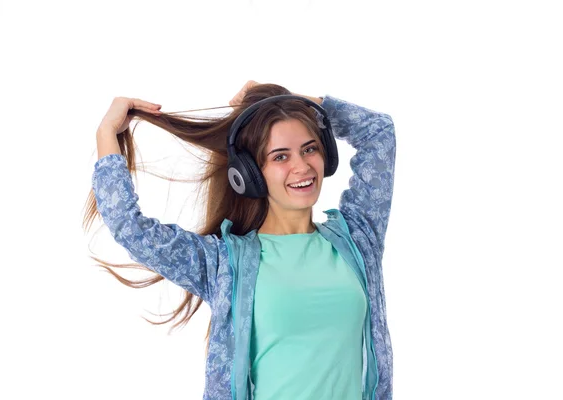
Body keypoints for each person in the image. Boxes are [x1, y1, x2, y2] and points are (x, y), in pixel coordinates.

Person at [85, 80, 396, 400]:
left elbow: (379, 133)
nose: (301, 167)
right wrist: (107, 133)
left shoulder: (358, 242)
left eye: (310, 148)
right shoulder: (222, 264)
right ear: (249, 173)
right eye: (280, 157)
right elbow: (128, 226)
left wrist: (297, 101)